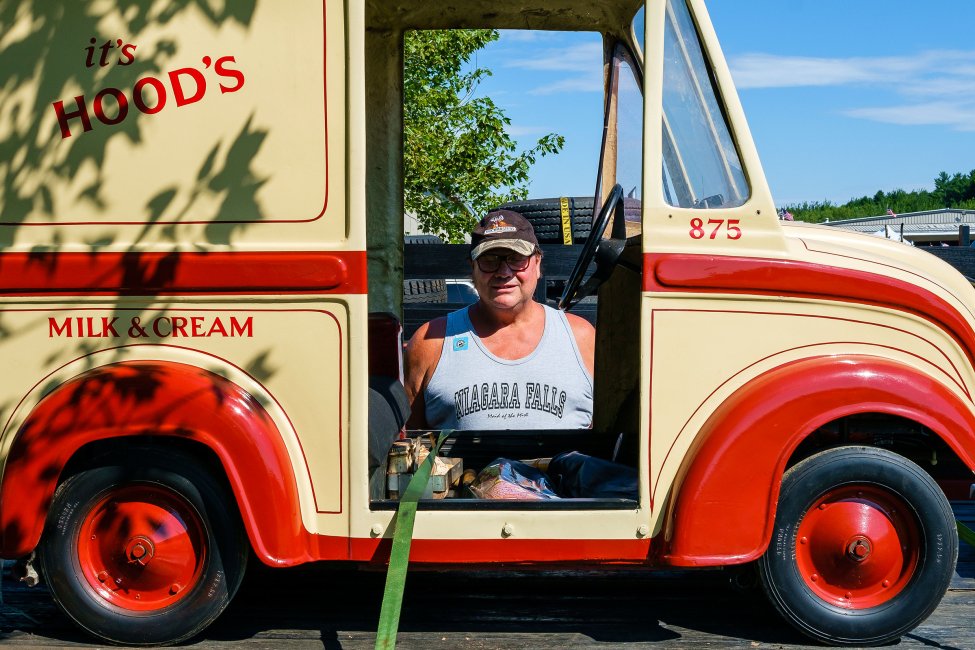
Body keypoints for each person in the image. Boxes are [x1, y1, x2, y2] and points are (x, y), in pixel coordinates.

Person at [404, 209, 595, 430]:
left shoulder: (581, 338)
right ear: (472, 267)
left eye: (517, 259)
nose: (504, 272)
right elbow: (409, 446)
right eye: (489, 260)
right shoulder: (431, 343)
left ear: (538, 263)